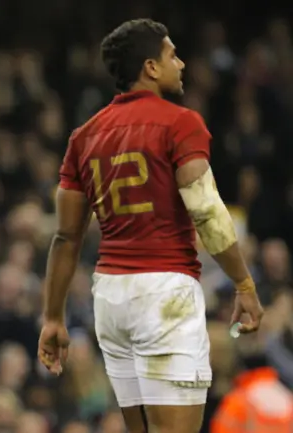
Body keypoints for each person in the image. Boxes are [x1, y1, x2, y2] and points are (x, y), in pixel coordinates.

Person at [38, 19, 264, 433]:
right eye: (172, 54)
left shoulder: (83, 137)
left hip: (109, 297)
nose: (181, 63)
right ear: (150, 68)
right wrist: (245, 284)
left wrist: (52, 317)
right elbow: (207, 210)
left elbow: (66, 235)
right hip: (164, 295)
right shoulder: (181, 122)